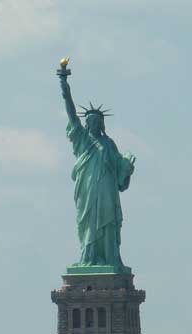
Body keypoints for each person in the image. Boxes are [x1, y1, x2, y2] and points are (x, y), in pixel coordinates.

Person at [58, 67, 135, 268]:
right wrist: (64, 85)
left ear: (101, 124)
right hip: (87, 190)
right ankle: (89, 257)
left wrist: (127, 166)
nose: (92, 124)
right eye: (89, 121)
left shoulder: (109, 144)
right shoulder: (82, 140)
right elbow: (71, 114)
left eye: (96, 121)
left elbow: (120, 174)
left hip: (107, 191)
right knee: (88, 224)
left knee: (108, 223)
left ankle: (110, 258)